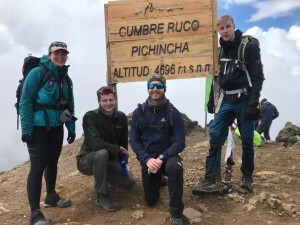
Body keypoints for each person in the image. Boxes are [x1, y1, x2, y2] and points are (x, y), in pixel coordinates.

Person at [192, 14, 264, 195]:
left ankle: (247, 177)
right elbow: (215, 78)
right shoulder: (219, 51)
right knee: (215, 137)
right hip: (226, 99)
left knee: (247, 139)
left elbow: (257, 77)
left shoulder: (248, 48)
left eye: (227, 27)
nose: (224, 31)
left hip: (245, 99)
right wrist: (211, 100)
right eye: (221, 29)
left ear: (234, 26)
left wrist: (253, 103)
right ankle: (209, 179)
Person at [20, 41, 76, 225]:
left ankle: (51, 196)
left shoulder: (66, 79)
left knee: (52, 162)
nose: (60, 56)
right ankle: (35, 214)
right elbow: (25, 101)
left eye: (63, 53)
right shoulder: (38, 72)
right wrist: (27, 129)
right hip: (37, 127)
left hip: (56, 127)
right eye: (57, 53)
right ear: (49, 54)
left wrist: (71, 128)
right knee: (37, 167)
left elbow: (69, 106)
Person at [130, 74, 186, 225]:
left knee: (175, 168)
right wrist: (147, 160)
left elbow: (180, 142)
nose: (155, 89)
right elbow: (134, 140)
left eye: (159, 86)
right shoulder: (139, 112)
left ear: (164, 89)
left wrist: (161, 158)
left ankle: (176, 214)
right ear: (148, 89)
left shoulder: (172, 112)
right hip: (148, 158)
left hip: (167, 157)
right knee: (151, 201)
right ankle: (159, 178)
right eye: (152, 86)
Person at [76, 86, 135, 212]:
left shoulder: (121, 117)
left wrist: (122, 163)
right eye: (104, 100)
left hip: (108, 160)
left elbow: (123, 144)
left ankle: (106, 178)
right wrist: (117, 149)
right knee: (101, 154)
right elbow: (95, 144)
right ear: (99, 102)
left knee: (128, 183)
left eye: (111, 100)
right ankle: (101, 196)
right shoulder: (90, 117)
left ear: (115, 100)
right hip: (87, 161)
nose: (108, 103)